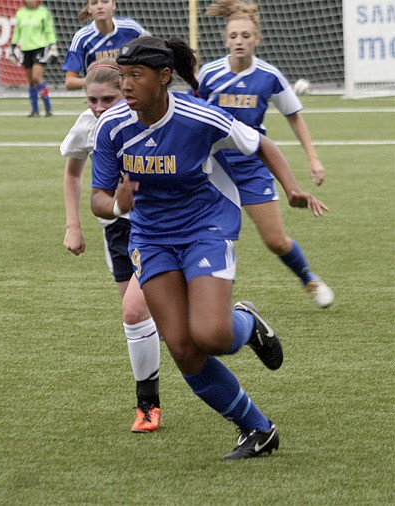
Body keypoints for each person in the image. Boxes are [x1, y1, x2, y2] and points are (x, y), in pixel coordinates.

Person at [91, 36, 329, 459]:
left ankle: (245, 321)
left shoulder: (199, 117)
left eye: (135, 76)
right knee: (183, 347)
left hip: (206, 226)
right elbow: (98, 199)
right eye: (122, 76)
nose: (125, 86)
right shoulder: (111, 127)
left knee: (213, 336)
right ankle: (257, 429)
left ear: (165, 77)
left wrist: (291, 189)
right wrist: (116, 204)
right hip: (151, 237)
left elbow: (262, 144)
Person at [196, 0, 334, 308]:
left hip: (252, 166)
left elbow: (293, 115)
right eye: (233, 36)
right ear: (225, 39)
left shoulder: (269, 76)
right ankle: (209, 301)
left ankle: (308, 278)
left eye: (245, 35)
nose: (239, 41)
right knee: (212, 236)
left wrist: (313, 157)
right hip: (213, 168)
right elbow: (194, 113)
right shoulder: (209, 74)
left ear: (256, 39)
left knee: (276, 240)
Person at [61, 59, 161, 433]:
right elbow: (72, 173)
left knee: (138, 314)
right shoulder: (88, 125)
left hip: (153, 226)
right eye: (92, 100)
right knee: (144, 319)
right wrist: (74, 226)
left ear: (125, 91)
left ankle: (147, 406)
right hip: (115, 231)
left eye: (108, 99)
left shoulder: (147, 117)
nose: (100, 108)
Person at [62, 0, 147, 91]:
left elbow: (150, 57)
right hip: (100, 95)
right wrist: (101, 80)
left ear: (113, 5)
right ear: (89, 9)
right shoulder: (82, 38)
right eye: (94, 3)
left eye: (105, 2)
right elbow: (69, 82)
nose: (99, 6)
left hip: (129, 91)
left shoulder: (132, 28)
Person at [9, 0, 58, 117]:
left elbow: (49, 30)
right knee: (31, 81)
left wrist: (53, 46)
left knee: (37, 77)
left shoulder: (43, 12)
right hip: (26, 49)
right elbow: (17, 31)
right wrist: (13, 47)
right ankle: (35, 110)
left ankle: (48, 107)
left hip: (40, 47)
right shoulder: (21, 13)